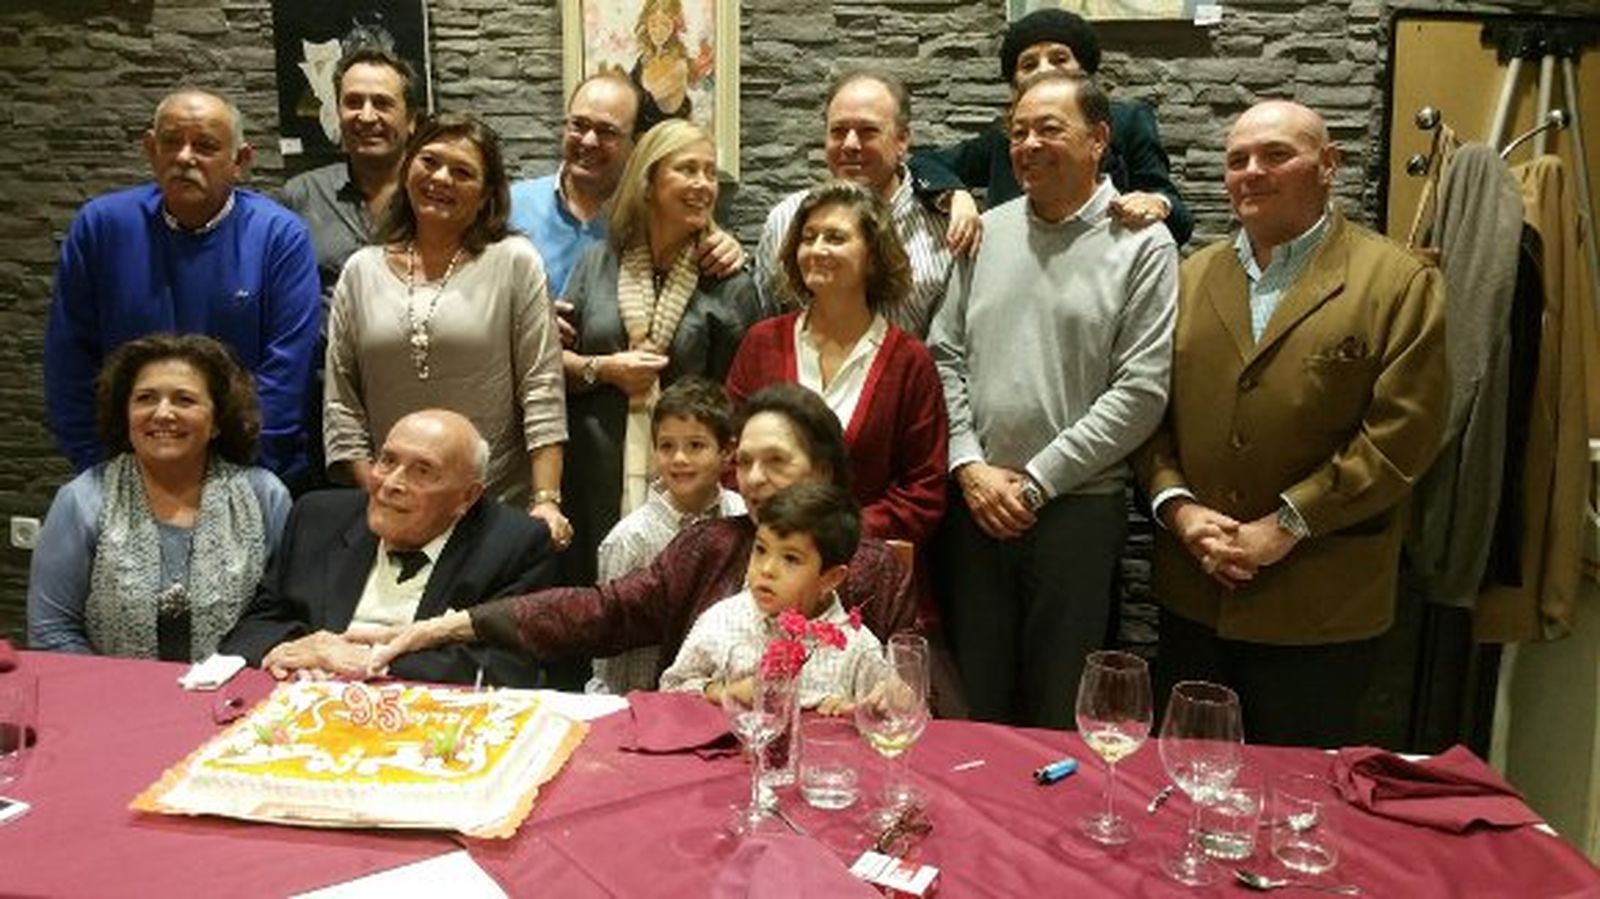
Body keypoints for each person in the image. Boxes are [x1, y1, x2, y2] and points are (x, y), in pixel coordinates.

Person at [1134, 100, 1447, 748]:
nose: (1252, 171)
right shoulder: (1189, 277)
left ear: (1328, 164)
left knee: (1299, 803)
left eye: (1277, 154)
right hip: (1195, 592)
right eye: (1237, 159)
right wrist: (1180, 509)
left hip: (1320, 603)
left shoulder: (1396, 282)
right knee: (1187, 787)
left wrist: (1286, 524)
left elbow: (1403, 435)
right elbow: (1146, 410)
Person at [367, 383, 916, 685]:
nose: (752, 479)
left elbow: (908, 696)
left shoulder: (874, 570)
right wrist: (443, 628)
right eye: (744, 461)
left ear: (822, 470)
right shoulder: (710, 546)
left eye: (775, 460)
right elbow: (602, 610)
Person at [927, 73, 1177, 729]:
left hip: (1076, 510)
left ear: (1098, 139)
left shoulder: (1143, 245)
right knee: (972, 702)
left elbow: (1140, 392)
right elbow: (944, 353)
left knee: (1059, 708)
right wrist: (967, 463)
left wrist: (1036, 482)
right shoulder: (986, 231)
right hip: (975, 504)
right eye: (1017, 131)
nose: (1029, 143)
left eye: (1049, 128)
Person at [45, 88, 321, 481]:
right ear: (151, 148)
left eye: (205, 146)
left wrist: (236, 481)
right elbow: (69, 361)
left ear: (239, 160)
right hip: (121, 471)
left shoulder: (279, 236)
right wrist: (101, 468)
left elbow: (287, 374)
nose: (184, 157)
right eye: (172, 142)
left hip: (248, 473)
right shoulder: (101, 227)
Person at [323, 112, 571, 547]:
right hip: (389, 508)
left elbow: (542, 387)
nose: (441, 178)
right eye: (430, 162)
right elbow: (341, 405)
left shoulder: (514, 261)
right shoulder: (361, 271)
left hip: (494, 506)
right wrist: (383, 493)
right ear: (407, 169)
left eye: (462, 172)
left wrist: (546, 499)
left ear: (486, 196)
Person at [559, 118, 759, 587]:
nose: (703, 184)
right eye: (687, 170)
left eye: (710, 173)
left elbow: (743, 401)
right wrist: (603, 370)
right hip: (593, 476)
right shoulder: (597, 262)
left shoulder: (731, 281)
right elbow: (551, 367)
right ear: (648, 181)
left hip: (689, 490)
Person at [220, 409, 554, 687]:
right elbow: (253, 629)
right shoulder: (317, 518)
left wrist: (371, 663)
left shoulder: (514, 543)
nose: (392, 483)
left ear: (467, 497)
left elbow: (509, 667)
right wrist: (298, 648)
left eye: (423, 471)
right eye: (387, 461)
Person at [28, 334, 291, 661]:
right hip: (110, 701)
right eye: (146, 398)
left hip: (238, 701)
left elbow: (284, 620)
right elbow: (52, 631)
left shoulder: (265, 497)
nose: (162, 413)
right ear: (126, 415)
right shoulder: (81, 500)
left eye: (184, 400)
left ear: (216, 423)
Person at [728, 179, 947, 547]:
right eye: (808, 237)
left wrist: (832, 535)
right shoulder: (761, 343)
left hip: (866, 566)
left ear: (873, 256)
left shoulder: (911, 362)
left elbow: (924, 491)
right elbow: (728, 453)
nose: (816, 249)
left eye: (835, 237)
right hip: (762, 559)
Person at [909, 7, 1194, 251]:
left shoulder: (1128, 122)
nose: (1045, 70)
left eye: (1059, 59)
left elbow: (1180, 222)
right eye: (1029, 64)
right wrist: (956, 196)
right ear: (1014, 85)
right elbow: (923, 163)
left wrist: (1158, 203)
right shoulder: (1003, 139)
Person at [280, 45, 421, 492]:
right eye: (352, 101)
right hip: (322, 402)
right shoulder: (300, 197)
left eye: (382, 103)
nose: (366, 115)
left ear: (411, 119)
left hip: (415, 390)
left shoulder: (437, 195)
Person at [506, 72, 743, 305]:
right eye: (578, 125)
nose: (588, 141)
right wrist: (535, 324)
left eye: (607, 131)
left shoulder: (653, 215)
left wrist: (726, 249)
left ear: (636, 143)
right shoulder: (512, 206)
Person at [753, 69, 955, 338]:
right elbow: (767, 331)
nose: (850, 144)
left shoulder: (946, 228)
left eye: (868, 131)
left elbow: (953, 350)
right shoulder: (784, 220)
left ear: (902, 140)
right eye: (838, 131)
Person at [661, 482, 884, 713]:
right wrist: (723, 692)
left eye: (790, 559)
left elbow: (887, 717)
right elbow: (671, 688)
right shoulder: (722, 620)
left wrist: (854, 710)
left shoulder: (859, 648)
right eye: (760, 550)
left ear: (830, 578)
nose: (766, 569)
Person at [589, 376, 745, 694]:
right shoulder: (630, 538)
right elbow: (611, 643)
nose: (679, 459)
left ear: (727, 451)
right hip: (644, 700)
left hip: (721, 696)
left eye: (696, 446)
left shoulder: (742, 515)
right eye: (666, 446)